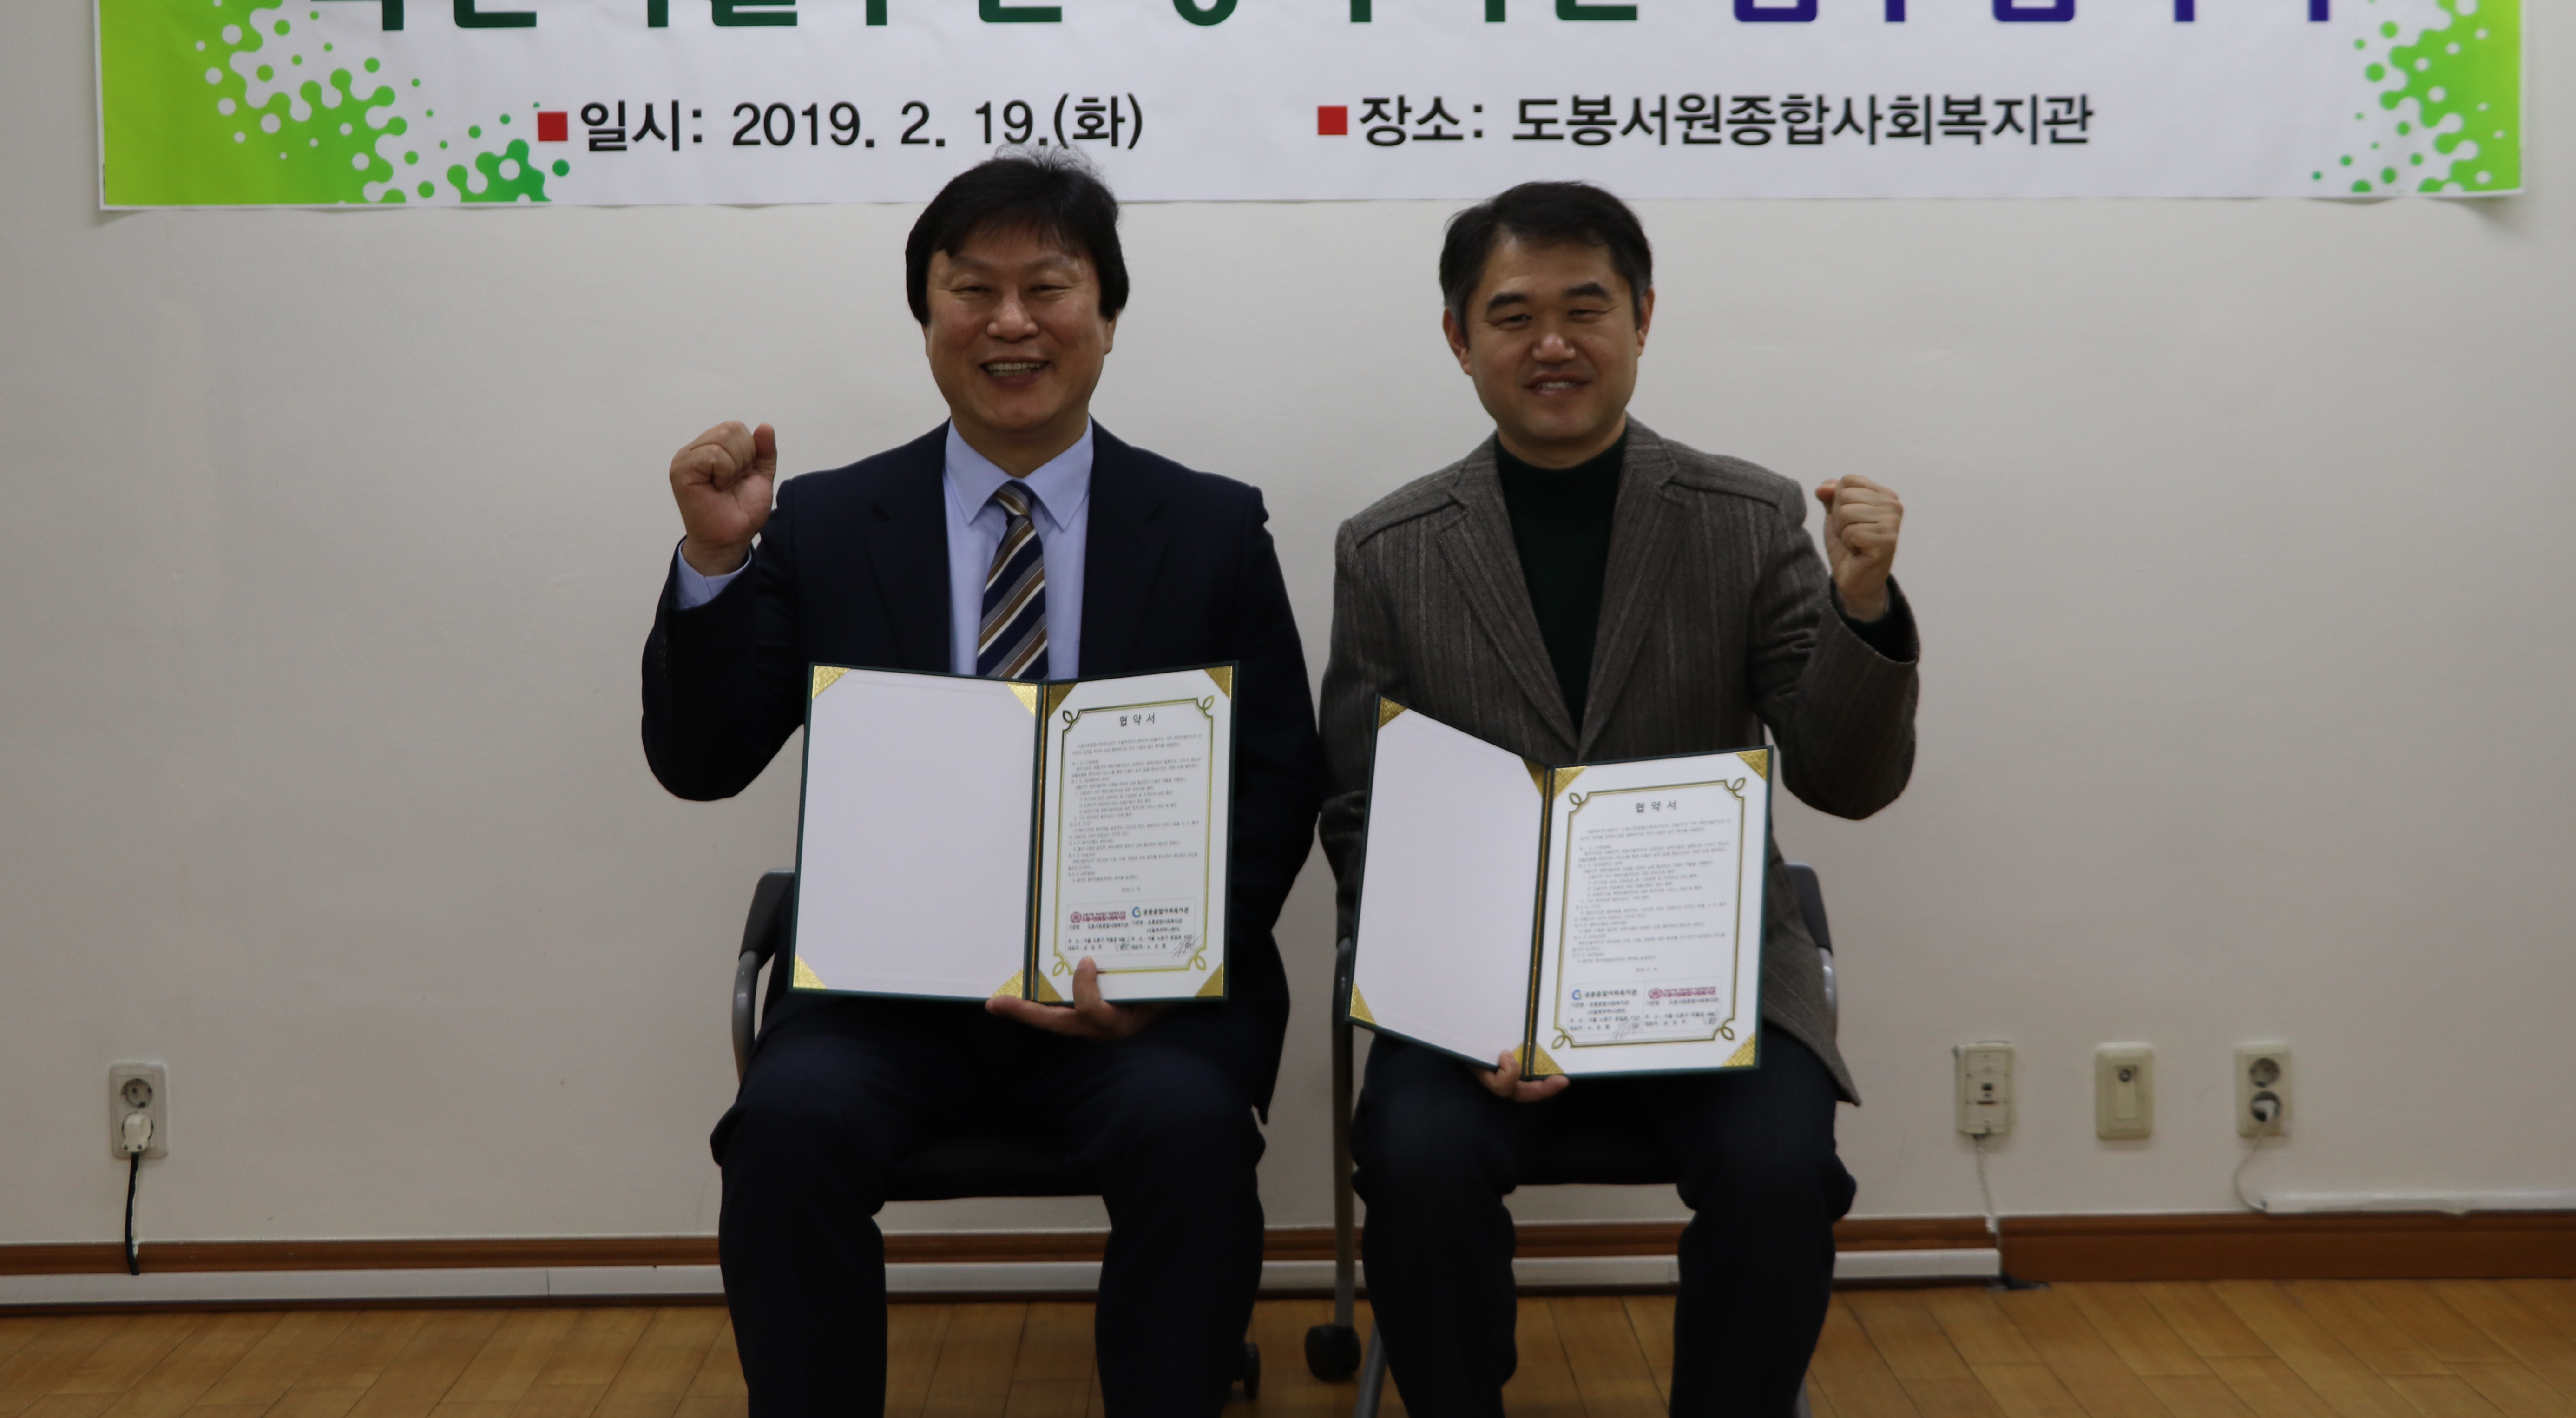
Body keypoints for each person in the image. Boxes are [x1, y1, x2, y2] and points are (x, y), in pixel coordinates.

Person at [642, 153, 1323, 1418]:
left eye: (1047, 289)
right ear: (928, 320)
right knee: (786, 1129)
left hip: (1131, 995)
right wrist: (715, 562)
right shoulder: (825, 524)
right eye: (973, 291)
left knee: (1190, 1133)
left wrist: (1166, 972)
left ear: (1105, 316)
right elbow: (702, 760)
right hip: (883, 1007)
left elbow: (1279, 778)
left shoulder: (1212, 527)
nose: (1012, 323)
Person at [1319, 181, 1919, 1417]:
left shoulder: (1747, 518)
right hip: (1480, 995)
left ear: (1643, 319)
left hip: (1710, 980)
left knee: (1780, 1166)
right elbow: (1364, 813)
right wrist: (1469, 994)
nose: (1553, 343)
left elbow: (1846, 779)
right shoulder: (1391, 548)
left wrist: (1861, 607)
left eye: (1586, 308)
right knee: (1417, 1159)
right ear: (1460, 339)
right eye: (1513, 315)